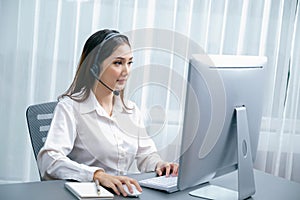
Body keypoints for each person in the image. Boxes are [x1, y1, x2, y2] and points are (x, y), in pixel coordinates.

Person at [37, 29, 178, 197]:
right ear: (94, 68)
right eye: (118, 63)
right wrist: (97, 175)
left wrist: (160, 165)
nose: (126, 71)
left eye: (129, 62)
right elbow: (49, 160)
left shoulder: (130, 110)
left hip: (122, 194)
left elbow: (146, 154)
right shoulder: (70, 107)